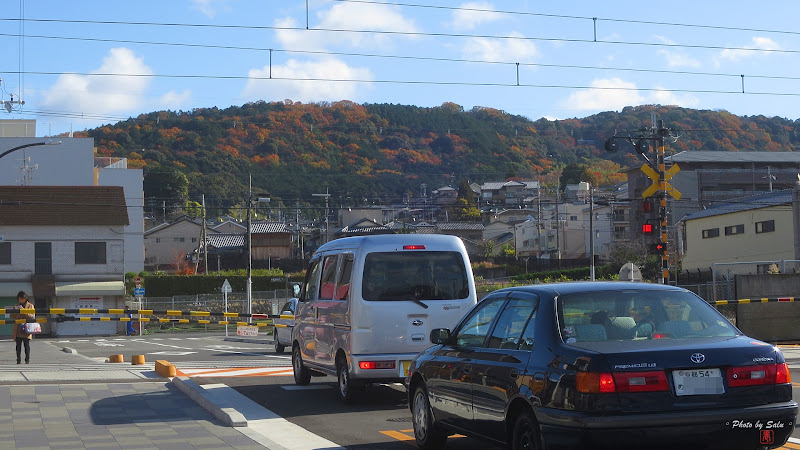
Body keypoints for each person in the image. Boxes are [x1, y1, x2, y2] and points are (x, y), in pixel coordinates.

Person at [10, 291, 34, 364]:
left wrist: (23, 311)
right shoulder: (16, 306)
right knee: (18, 346)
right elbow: (11, 315)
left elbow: (31, 316)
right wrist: (17, 313)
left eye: (22, 299)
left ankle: (27, 360)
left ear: (25, 298)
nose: (21, 300)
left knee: (26, 345)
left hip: (26, 328)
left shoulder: (30, 306)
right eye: (19, 299)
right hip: (18, 328)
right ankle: (18, 360)